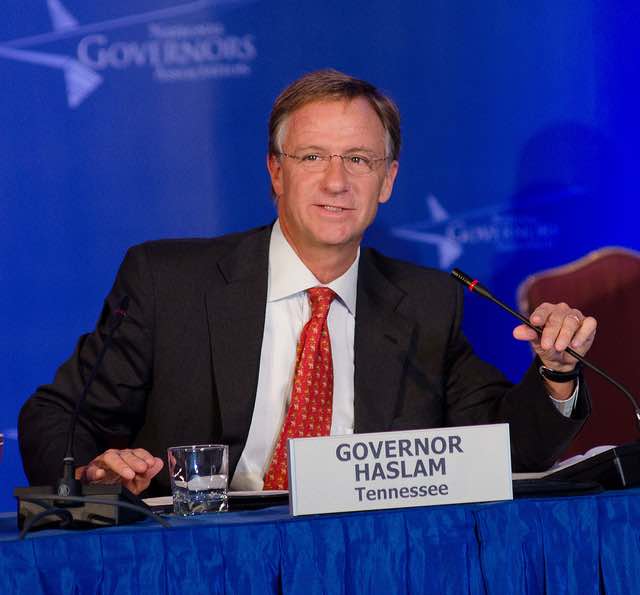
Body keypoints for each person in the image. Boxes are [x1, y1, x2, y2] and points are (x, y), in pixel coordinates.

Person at [19, 69, 597, 496]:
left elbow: (502, 452)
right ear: (276, 171)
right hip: (199, 556)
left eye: (359, 160)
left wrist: (556, 373)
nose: (336, 182)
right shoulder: (170, 283)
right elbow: (56, 417)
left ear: (388, 180)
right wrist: (94, 473)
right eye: (313, 156)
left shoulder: (426, 303)